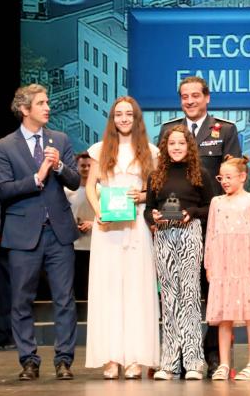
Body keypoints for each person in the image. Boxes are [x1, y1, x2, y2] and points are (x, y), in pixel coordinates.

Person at [0, 84, 81, 381]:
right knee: (21, 300)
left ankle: (64, 360)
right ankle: (28, 359)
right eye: (41, 103)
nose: (48, 108)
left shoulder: (60, 139)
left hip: (58, 233)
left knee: (65, 299)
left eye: (47, 103)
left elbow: (75, 181)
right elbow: (2, 190)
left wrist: (57, 168)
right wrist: (36, 177)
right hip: (23, 234)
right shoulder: (4, 146)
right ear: (25, 109)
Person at [159, 75, 240, 376]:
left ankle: (215, 354)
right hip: (176, 227)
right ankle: (180, 353)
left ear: (207, 97)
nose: (190, 101)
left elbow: (230, 176)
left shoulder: (225, 130)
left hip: (215, 224)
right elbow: (161, 175)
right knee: (180, 293)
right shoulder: (169, 131)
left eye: (195, 95)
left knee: (214, 290)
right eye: (184, 96)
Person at [84, 97, 160, 379]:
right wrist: (97, 212)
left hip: (137, 224)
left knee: (136, 290)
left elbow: (154, 191)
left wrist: (140, 196)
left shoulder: (150, 151)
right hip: (107, 228)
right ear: (112, 118)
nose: (124, 118)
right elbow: (92, 186)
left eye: (129, 114)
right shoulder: (100, 149)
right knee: (109, 290)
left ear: (137, 118)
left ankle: (135, 358)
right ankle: (111, 357)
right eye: (119, 114)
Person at [144, 125, 216, 380]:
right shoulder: (156, 176)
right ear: (165, 147)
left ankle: (194, 362)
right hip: (163, 236)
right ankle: (170, 363)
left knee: (189, 296)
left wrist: (191, 213)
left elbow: (211, 206)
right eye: (172, 143)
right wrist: (151, 217)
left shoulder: (200, 174)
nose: (176, 147)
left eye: (181, 143)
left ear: (189, 147)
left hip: (190, 234)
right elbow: (148, 208)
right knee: (169, 299)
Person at [205, 155, 250, 381]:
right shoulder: (217, 202)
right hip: (224, 264)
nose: (224, 181)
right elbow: (211, 235)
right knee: (225, 316)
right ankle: (224, 364)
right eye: (221, 177)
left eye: (229, 177)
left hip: (247, 263)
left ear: (242, 177)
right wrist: (209, 264)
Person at [65, 151, 94, 301]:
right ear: (77, 167)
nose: (86, 169)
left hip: (94, 245)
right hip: (74, 246)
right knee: (75, 284)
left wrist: (93, 224)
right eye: (83, 166)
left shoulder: (100, 191)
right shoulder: (67, 191)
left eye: (89, 166)